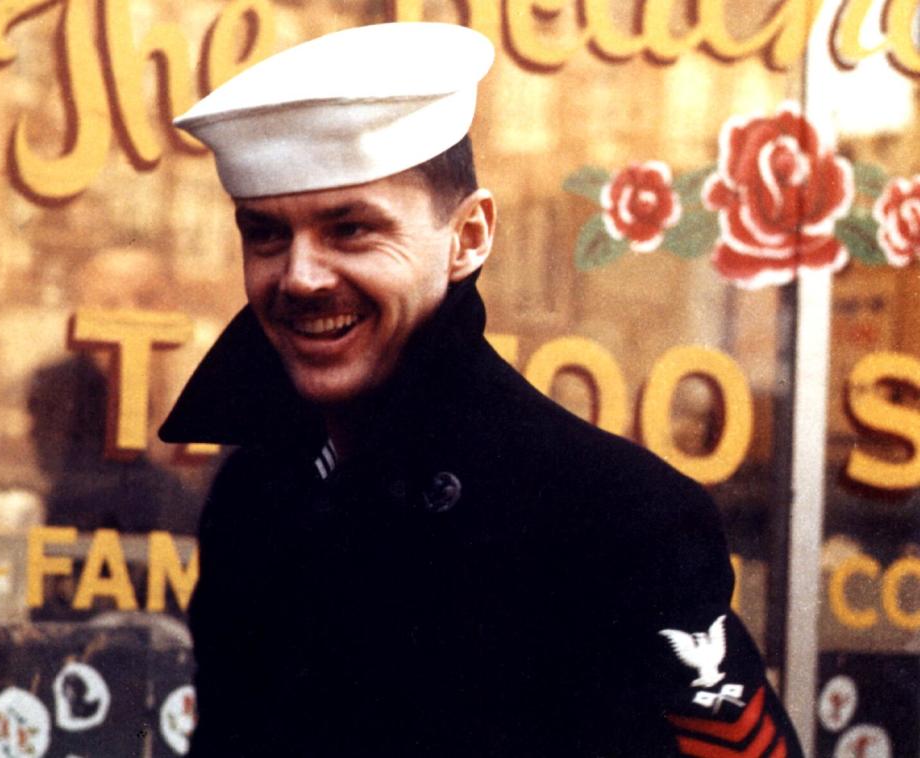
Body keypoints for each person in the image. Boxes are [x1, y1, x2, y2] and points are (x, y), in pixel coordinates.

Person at [159, 22, 803, 757]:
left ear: (468, 238)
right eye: (267, 234)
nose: (301, 276)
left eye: (351, 231)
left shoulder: (612, 513)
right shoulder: (257, 497)